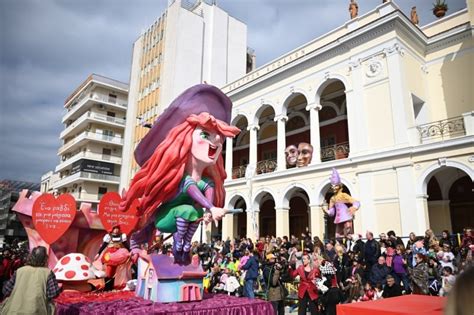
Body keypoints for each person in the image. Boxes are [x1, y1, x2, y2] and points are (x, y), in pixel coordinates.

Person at [120, 84, 240, 265]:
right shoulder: (185, 179)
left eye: (219, 138)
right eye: (206, 135)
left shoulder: (207, 182)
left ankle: (184, 247)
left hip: (188, 216)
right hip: (165, 217)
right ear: (185, 138)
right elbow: (191, 189)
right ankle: (179, 244)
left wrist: (208, 210)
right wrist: (211, 207)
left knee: (193, 210)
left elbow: (207, 191)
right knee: (188, 209)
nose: (215, 142)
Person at [1, 246, 60, 315]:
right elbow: (53, 293)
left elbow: (6, 290)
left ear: (31, 257)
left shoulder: (20, 271)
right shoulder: (48, 273)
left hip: (14, 310)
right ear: (45, 259)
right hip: (37, 311)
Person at [323, 168, 360, 239]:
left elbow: (356, 202)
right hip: (338, 219)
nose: (333, 187)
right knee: (337, 236)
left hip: (346, 217)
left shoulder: (343, 195)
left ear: (339, 186)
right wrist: (327, 211)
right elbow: (332, 212)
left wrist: (354, 207)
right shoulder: (332, 198)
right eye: (332, 185)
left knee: (348, 233)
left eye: (336, 185)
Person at [95, 225, 130, 290]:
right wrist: (98, 253)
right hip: (109, 254)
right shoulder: (108, 236)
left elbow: (126, 244)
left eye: (117, 229)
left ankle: (110, 286)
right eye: (115, 229)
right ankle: (107, 286)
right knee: (109, 270)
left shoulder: (122, 236)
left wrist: (130, 251)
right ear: (112, 229)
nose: (116, 230)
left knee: (113, 271)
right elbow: (104, 245)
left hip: (118, 254)